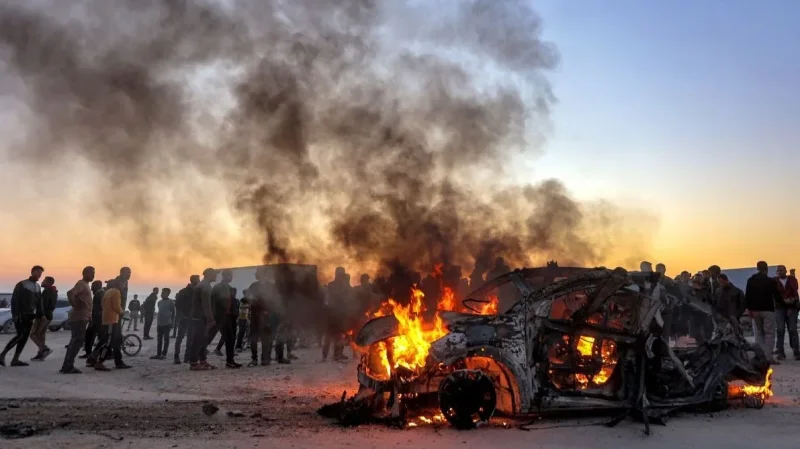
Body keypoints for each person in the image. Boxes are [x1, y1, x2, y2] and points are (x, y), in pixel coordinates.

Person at [88, 269, 132, 371]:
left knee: (108, 339)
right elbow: (117, 306)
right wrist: (122, 313)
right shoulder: (116, 292)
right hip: (114, 318)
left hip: (107, 318)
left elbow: (104, 305)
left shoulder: (107, 292)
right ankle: (100, 361)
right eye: (128, 272)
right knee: (108, 341)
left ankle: (94, 358)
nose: (124, 286)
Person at [1, 266, 44, 367]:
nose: (39, 274)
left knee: (24, 338)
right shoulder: (22, 284)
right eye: (38, 271)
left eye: (40, 272)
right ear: (32, 272)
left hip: (30, 315)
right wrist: (15, 315)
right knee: (20, 335)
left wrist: (41, 314)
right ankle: (2, 355)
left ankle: (15, 359)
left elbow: (39, 302)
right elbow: (15, 300)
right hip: (21, 315)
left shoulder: (37, 286)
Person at [60, 266, 95, 374]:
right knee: (77, 341)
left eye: (94, 273)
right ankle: (68, 366)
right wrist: (75, 305)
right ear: (84, 273)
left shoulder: (85, 285)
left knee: (76, 341)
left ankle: (67, 365)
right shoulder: (81, 284)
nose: (93, 275)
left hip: (82, 317)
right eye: (91, 272)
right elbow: (70, 293)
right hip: (79, 318)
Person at [745, 261, 781, 364]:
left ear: (757, 268)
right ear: (766, 268)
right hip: (768, 310)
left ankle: (761, 356)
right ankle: (768, 357)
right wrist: (784, 305)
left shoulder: (751, 280)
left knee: (759, 333)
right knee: (769, 333)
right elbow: (777, 296)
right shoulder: (770, 281)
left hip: (755, 311)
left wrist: (749, 309)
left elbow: (747, 296)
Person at [189, 268, 217, 371]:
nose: (216, 276)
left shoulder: (203, 285)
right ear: (209, 274)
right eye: (215, 274)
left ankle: (202, 361)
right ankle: (194, 363)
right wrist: (211, 319)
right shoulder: (205, 287)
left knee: (203, 340)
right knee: (198, 340)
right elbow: (206, 305)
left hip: (199, 317)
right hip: (200, 318)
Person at [322, 267, 350, 362]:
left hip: (340, 313)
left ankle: (337, 354)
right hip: (333, 313)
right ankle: (325, 355)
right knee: (329, 335)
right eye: (340, 275)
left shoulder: (343, 285)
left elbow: (348, 297)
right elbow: (338, 297)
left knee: (339, 335)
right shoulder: (332, 285)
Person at [774, 265, 800, 361]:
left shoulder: (792, 280)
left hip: (792, 307)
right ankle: (781, 352)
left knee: (792, 329)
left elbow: (795, 290)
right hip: (779, 307)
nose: (780, 272)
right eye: (778, 271)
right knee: (780, 329)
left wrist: (791, 305)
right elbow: (774, 295)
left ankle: (796, 351)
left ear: (785, 270)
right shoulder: (774, 281)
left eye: (781, 270)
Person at [30, 276, 58, 361]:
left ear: (49, 283)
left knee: (33, 334)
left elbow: (43, 305)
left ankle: (44, 349)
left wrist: (42, 315)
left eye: (44, 281)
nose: (42, 282)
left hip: (42, 316)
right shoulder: (54, 292)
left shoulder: (46, 292)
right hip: (49, 316)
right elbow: (52, 306)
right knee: (41, 335)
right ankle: (41, 354)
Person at [174, 275, 199, 364]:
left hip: (193, 319)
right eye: (197, 280)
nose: (199, 281)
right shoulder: (183, 292)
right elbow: (177, 305)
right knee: (179, 338)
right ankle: (176, 357)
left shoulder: (196, 292)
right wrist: (182, 315)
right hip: (184, 319)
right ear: (193, 280)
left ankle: (187, 357)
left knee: (190, 339)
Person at [82, 280, 105, 359]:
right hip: (95, 320)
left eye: (93, 286)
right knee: (90, 337)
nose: (91, 288)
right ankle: (89, 353)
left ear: (97, 286)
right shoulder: (99, 294)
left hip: (97, 321)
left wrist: (98, 314)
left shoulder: (100, 294)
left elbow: (102, 308)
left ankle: (93, 354)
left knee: (93, 337)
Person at [151, 288, 175, 360]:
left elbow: (173, 312)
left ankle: (164, 354)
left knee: (166, 339)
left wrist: (172, 322)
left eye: (163, 292)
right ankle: (158, 354)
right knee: (159, 339)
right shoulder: (159, 302)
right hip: (160, 323)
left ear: (168, 294)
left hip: (167, 323)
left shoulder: (171, 302)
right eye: (162, 292)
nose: (161, 294)